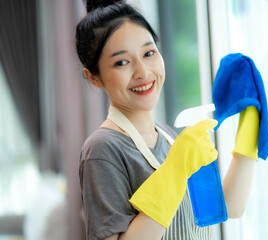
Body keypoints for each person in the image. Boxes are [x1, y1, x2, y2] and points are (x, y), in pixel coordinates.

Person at [76, 0, 258, 239]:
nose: (142, 71)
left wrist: (250, 119)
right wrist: (175, 169)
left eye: (148, 53)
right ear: (94, 77)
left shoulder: (169, 138)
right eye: (121, 62)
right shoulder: (102, 149)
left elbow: (229, 207)